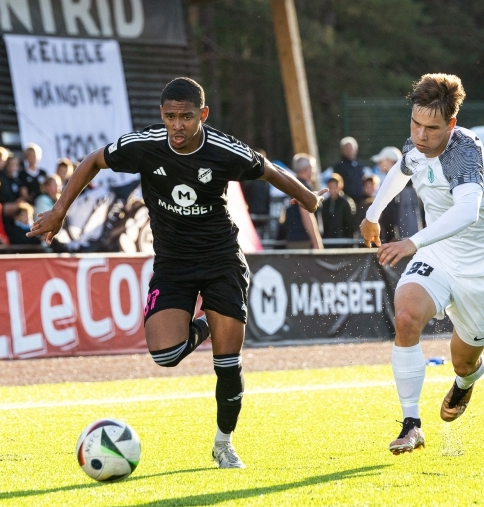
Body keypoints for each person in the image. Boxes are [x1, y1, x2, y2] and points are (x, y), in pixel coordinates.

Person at [28, 77, 326, 469]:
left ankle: (224, 443)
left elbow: (267, 168)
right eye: (170, 117)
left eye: (186, 117)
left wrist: (307, 198)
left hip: (221, 260)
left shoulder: (223, 149)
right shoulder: (145, 145)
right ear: (162, 116)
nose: (178, 126)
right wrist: (60, 210)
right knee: (165, 354)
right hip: (172, 263)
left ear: (202, 114)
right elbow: (94, 160)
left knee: (227, 363)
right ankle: (205, 325)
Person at [359, 73, 484, 455]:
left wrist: (412, 242)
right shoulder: (417, 142)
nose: (420, 134)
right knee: (405, 318)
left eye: (431, 127)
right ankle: (411, 425)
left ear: (451, 123)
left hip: (481, 269)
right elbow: (402, 169)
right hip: (438, 255)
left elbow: (466, 212)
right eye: (415, 123)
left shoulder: (464, 150)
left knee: (463, 363)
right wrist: (372, 214)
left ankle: (468, 382)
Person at [283, 153, 324, 250]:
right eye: (313, 168)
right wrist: (316, 241)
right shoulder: (305, 188)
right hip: (304, 241)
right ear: (307, 169)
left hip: (291, 238)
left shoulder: (290, 186)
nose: (314, 171)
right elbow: (306, 215)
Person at [321, 173, 357, 240]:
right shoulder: (325, 203)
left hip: (343, 240)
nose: (331, 189)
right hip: (328, 240)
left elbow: (350, 224)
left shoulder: (346, 202)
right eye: (329, 186)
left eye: (333, 186)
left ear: (339, 186)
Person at [333, 137, 365, 207]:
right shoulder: (339, 167)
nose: (349, 150)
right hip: (345, 203)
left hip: (360, 202)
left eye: (351, 148)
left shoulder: (359, 166)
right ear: (342, 150)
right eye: (346, 148)